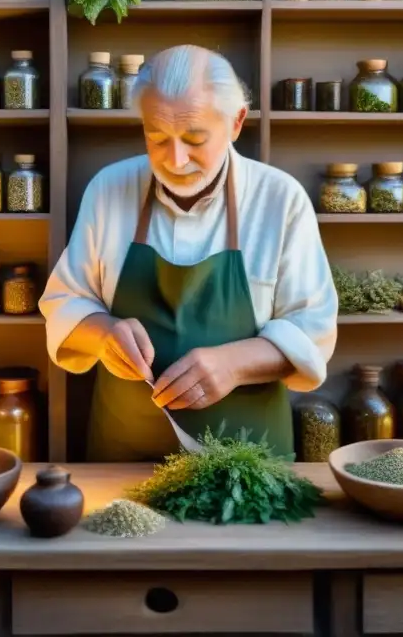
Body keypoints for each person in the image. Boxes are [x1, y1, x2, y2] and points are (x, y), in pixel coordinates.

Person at [40, 45, 338, 461]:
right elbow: (65, 300)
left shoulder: (280, 199)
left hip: (248, 465)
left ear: (236, 123)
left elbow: (312, 329)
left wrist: (235, 364)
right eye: (157, 137)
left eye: (195, 138)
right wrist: (103, 333)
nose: (175, 159)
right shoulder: (109, 189)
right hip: (125, 456)